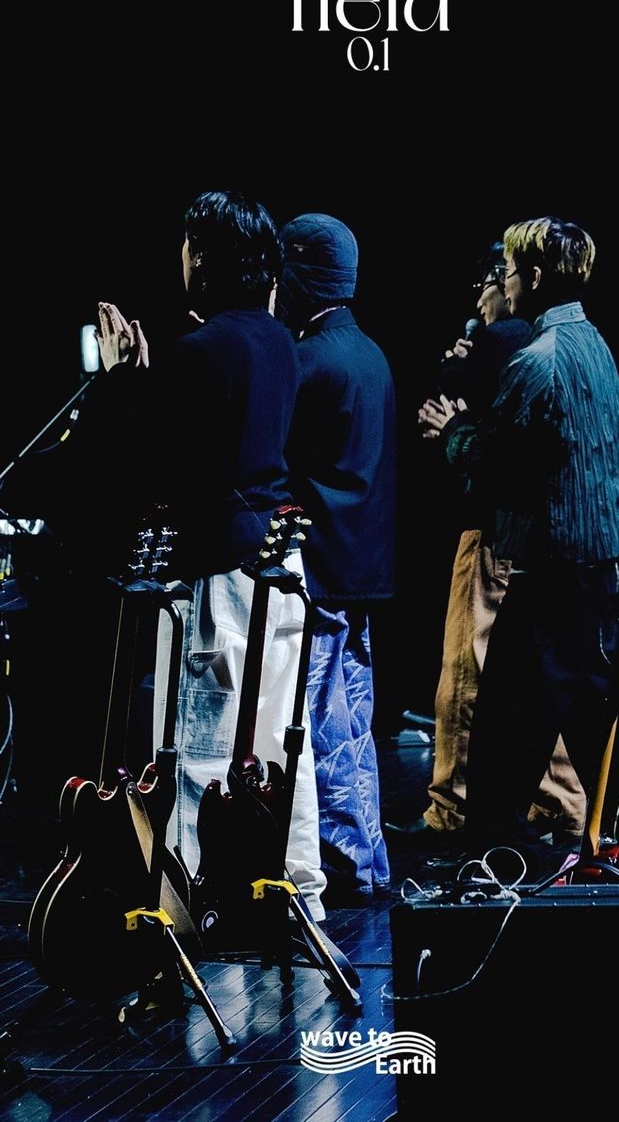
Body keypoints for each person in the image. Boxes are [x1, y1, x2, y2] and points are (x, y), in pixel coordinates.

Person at [92, 191, 327, 919]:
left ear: (202, 257)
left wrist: (123, 381)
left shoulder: (200, 350)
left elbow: (155, 469)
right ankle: (300, 889)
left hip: (219, 574)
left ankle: (189, 897)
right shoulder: (279, 340)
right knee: (284, 742)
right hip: (279, 565)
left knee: (199, 743)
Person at [422, 216, 619, 879]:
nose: (505, 283)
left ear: (534, 278)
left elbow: (500, 461)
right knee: (568, 718)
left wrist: (453, 429)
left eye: (510, 272)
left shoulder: (537, 361)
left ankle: (495, 853)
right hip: (595, 560)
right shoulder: (595, 342)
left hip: (553, 564)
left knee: (505, 727)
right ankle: (565, 843)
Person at [405, 246, 585, 847]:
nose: (480, 298)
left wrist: (450, 417)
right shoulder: (560, 343)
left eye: (489, 282)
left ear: (506, 282)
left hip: (491, 531)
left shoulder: (506, 337)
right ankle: (559, 803)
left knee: (465, 672)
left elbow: (469, 424)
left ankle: (451, 807)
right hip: (535, 537)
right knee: (518, 685)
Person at [276, 212, 395, 905]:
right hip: (363, 567)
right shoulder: (369, 352)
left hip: (318, 566)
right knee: (353, 721)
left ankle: (348, 864)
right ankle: (368, 858)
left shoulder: (309, 359)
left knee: (324, 727)